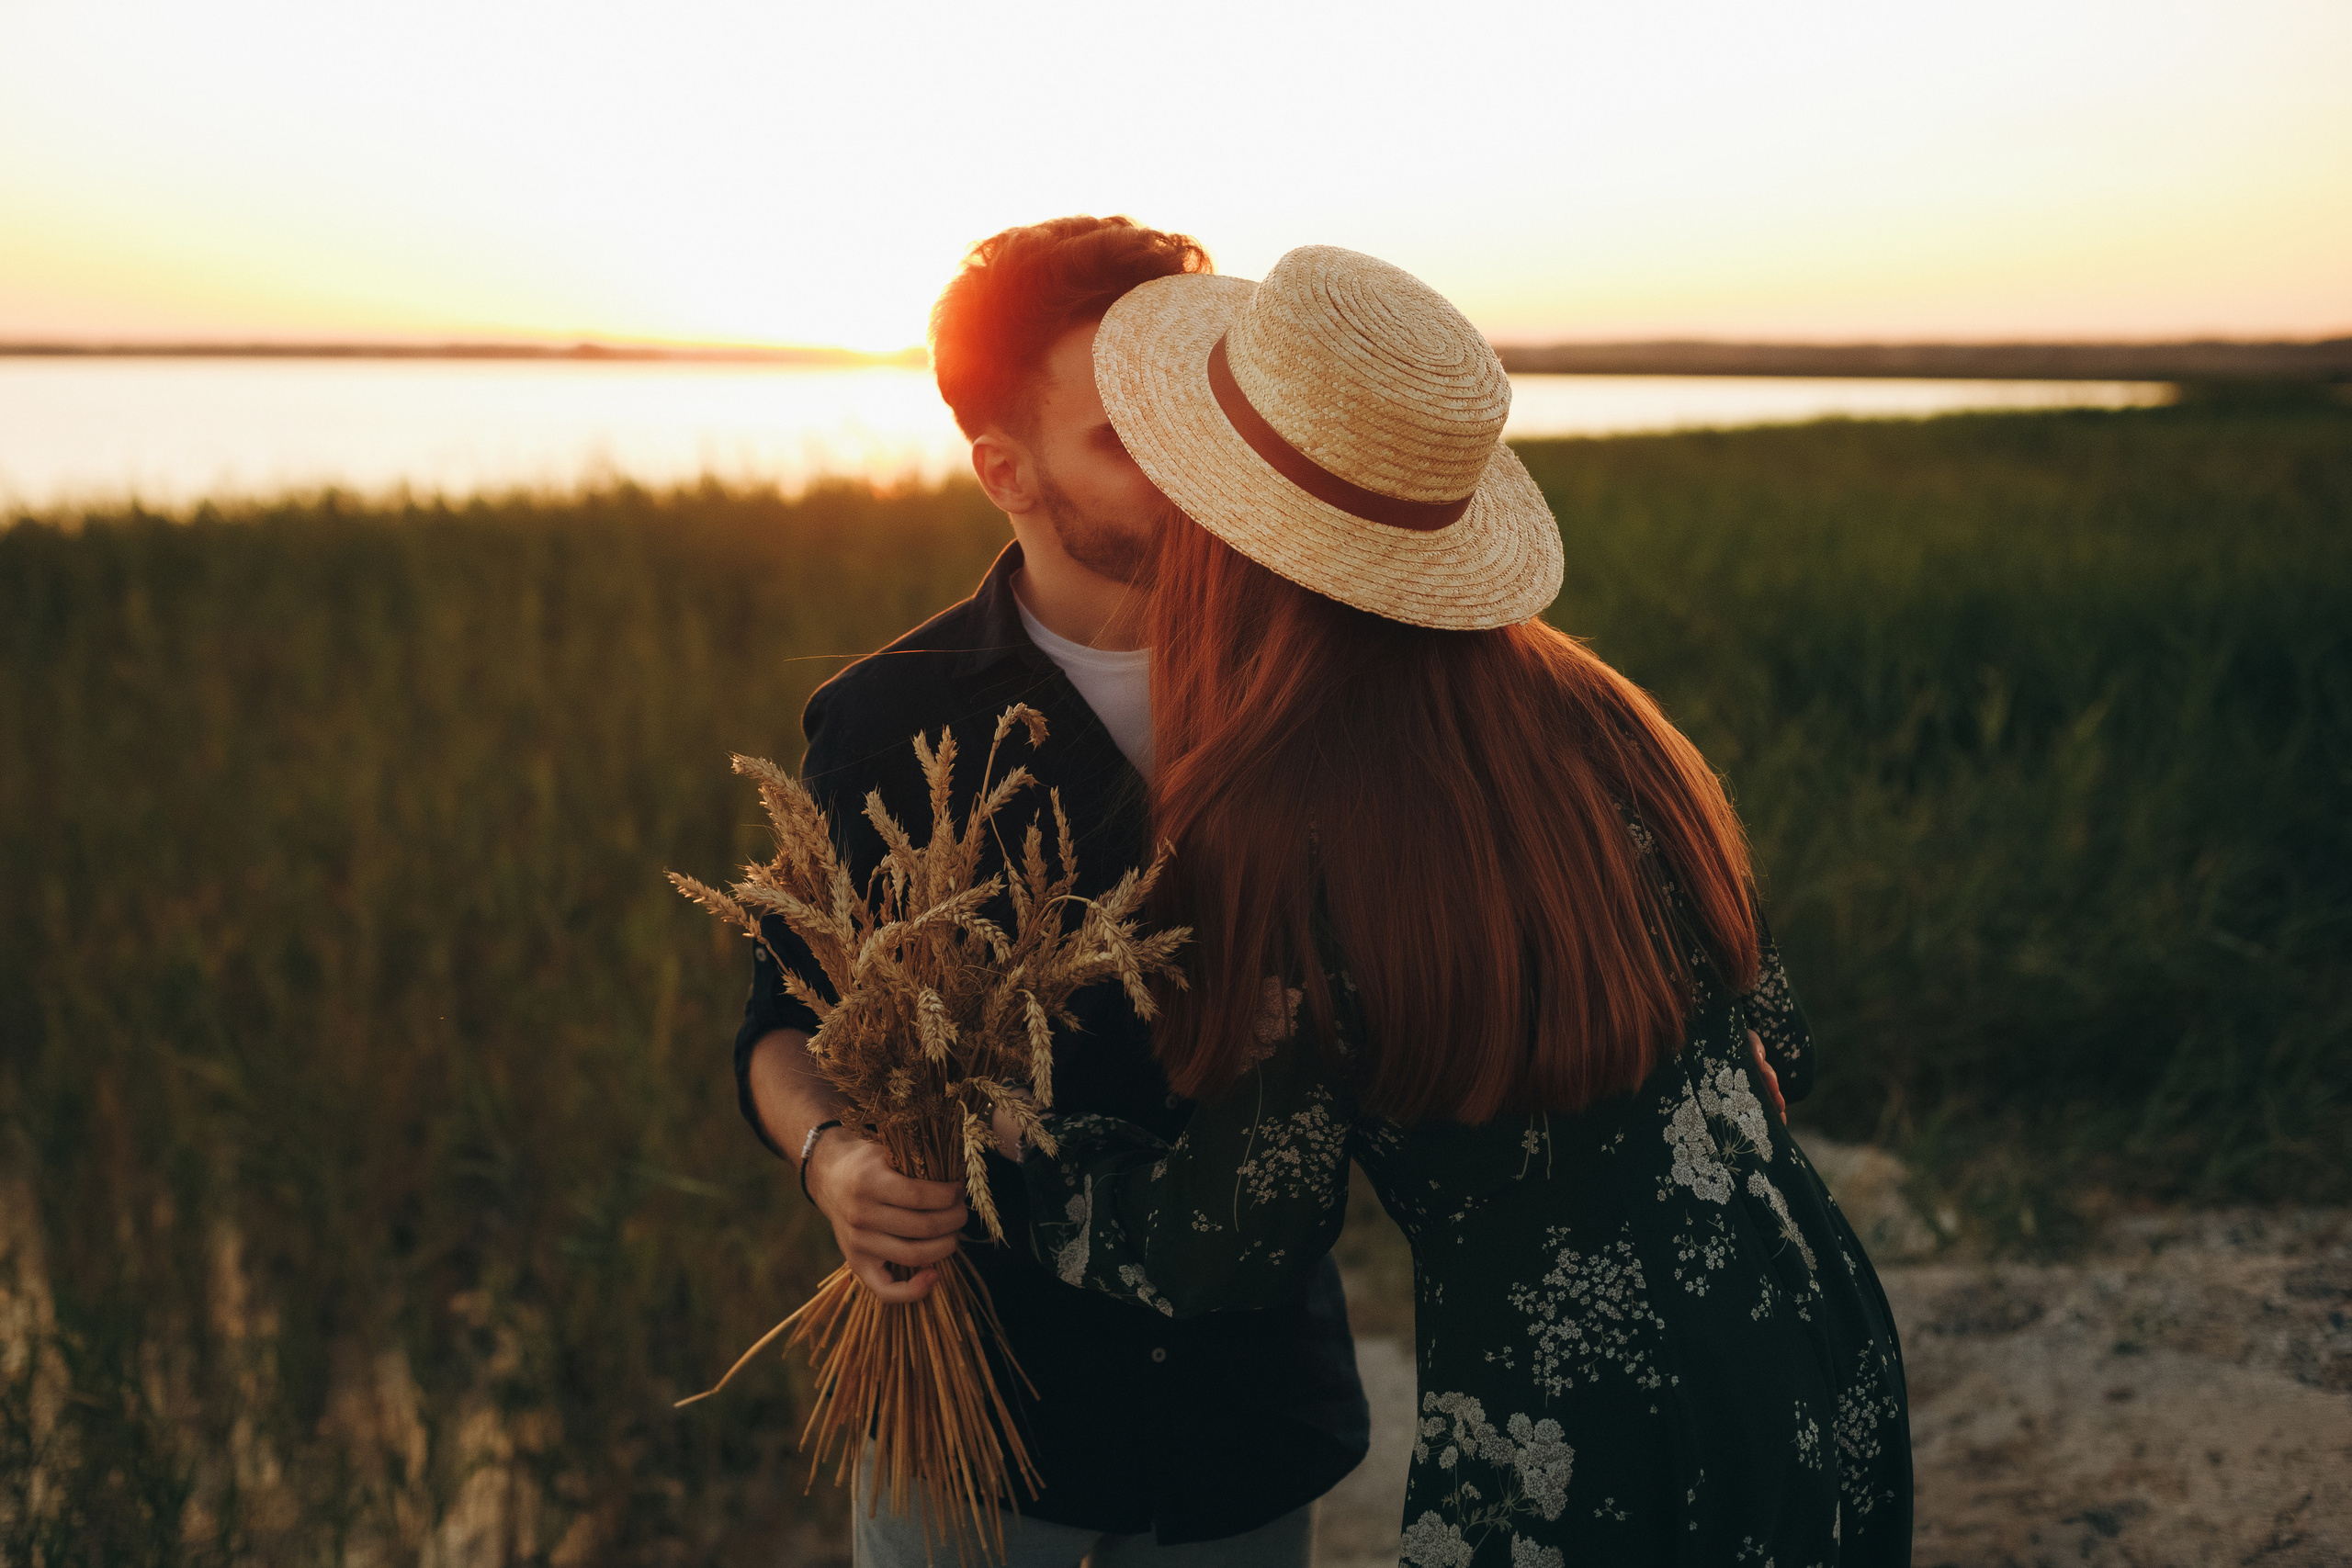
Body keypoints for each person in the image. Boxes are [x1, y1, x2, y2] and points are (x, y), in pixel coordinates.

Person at [990, 246, 1913, 1565]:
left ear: (1227, 530)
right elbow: (1785, 1049)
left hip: (1582, 1417)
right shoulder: (1603, 713)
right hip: (1806, 1320)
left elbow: (1232, 1245)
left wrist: (999, 1153)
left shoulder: (1275, 815)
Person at [733, 217, 1369, 1566]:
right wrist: (834, 1161)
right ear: (1004, 471)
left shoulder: (1320, 686)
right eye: (1128, 440)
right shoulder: (885, 722)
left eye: (1201, 418)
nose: (1194, 470)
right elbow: (779, 1023)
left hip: (1244, 1416)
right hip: (981, 1418)